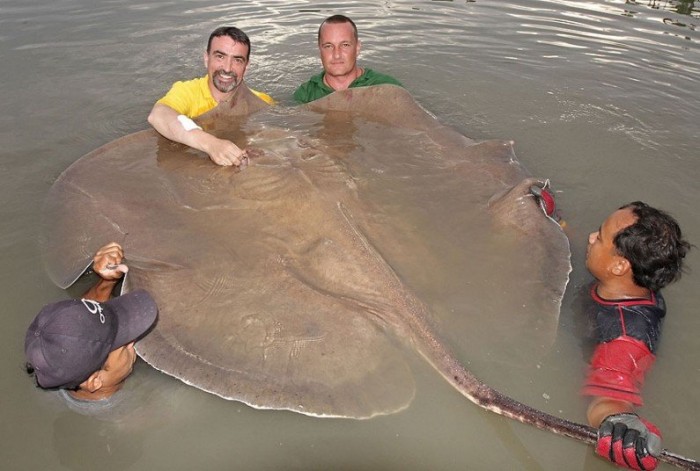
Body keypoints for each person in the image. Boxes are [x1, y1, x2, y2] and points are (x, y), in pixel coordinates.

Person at [582, 202, 690, 470]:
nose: (590, 238)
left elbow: (610, 397)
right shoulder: (636, 282)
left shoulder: (624, 340)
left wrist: (620, 423)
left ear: (619, 266)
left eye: (599, 236)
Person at [25, 242, 158, 403]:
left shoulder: (58, 367)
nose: (132, 341)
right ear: (95, 382)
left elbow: (85, 327)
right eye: (123, 341)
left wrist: (106, 282)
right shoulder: (130, 418)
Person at [148, 26, 274, 167]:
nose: (227, 68)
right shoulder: (187, 91)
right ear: (206, 59)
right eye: (220, 57)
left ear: (246, 66)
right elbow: (158, 115)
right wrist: (212, 144)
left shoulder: (262, 101)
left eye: (237, 60)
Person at [293, 15, 403, 104]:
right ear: (320, 50)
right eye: (328, 46)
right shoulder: (305, 95)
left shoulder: (387, 87)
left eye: (345, 45)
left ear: (358, 48)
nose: (336, 55)